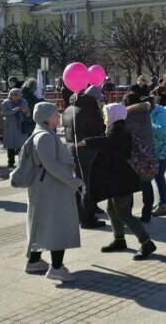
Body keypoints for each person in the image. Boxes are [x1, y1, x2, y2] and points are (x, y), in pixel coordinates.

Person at [77, 104, 157, 260]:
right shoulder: (118, 127)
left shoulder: (117, 130)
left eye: (106, 114)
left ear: (114, 114)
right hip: (118, 179)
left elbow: (108, 141)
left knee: (123, 213)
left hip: (122, 180)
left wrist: (86, 142)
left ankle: (146, 242)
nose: (105, 117)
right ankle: (119, 240)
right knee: (112, 210)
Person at [24, 102, 86, 283]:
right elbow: (52, 166)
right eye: (55, 114)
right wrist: (75, 182)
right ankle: (57, 268)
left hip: (46, 187)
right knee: (58, 226)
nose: (58, 116)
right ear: (45, 117)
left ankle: (34, 261)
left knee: (42, 223)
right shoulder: (44, 137)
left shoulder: (42, 134)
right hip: (52, 188)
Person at [62, 85, 106, 229]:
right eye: (99, 100)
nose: (100, 103)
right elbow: (100, 130)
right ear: (93, 98)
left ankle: (79, 213)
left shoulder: (69, 108)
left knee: (78, 182)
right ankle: (87, 219)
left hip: (72, 149)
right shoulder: (90, 111)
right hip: (87, 150)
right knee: (89, 184)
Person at [123, 92, 154, 222]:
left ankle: (128, 213)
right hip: (147, 151)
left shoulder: (128, 116)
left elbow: (126, 133)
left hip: (133, 153)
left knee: (128, 185)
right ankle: (147, 213)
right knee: (146, 182)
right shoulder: (145, 112)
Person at [2, 89, 31, 168]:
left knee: (21, 145)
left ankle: (22, 162)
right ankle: (11, 162)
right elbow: (4, 114)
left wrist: (24, 111)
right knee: (10, 146)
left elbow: (28, 114)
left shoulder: (23, 102)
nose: (19, 96)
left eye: (19, 94)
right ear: (12, 95)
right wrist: (14, 110)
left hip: (21, 126)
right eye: (17, 95)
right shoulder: (6, 103)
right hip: (10, 126)